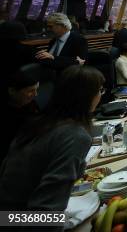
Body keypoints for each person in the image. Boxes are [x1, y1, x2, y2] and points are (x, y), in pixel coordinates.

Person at [0, 65, 103, 212]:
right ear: (86, 97)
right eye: (99, 90)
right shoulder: (75, 136)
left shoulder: (38, 122)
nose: (101, 95)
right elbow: (46, 213)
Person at [0, 66, 40, 163]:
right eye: (30, 91)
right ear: (12, 91)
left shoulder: (31, 104)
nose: (36, 94)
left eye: (36, 89)